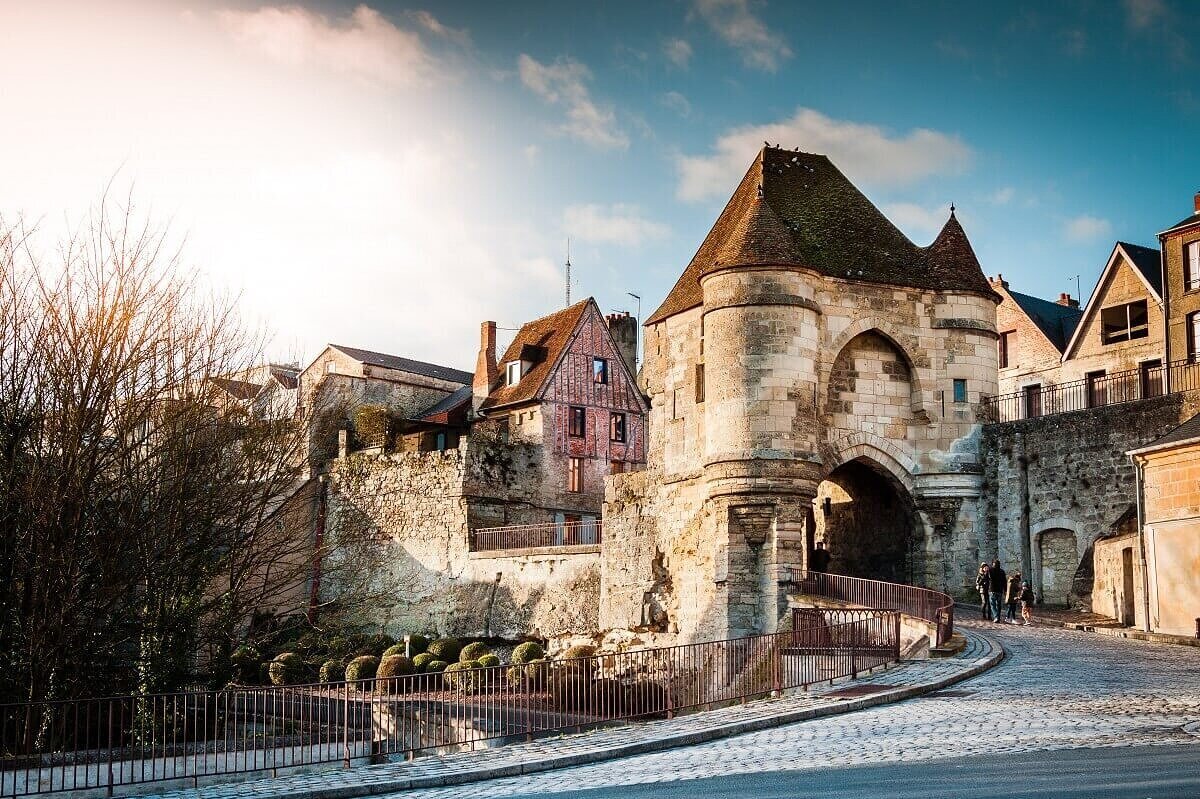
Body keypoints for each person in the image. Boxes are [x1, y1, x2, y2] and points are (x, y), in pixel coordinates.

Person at [989, 559, 1007, 624]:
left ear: (993, 564)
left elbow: (987, 578)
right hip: (1000, 590)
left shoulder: (990, 570)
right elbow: (1005, 582)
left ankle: (996, 616)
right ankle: (998, 618)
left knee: (993, 605)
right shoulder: (1002, 571)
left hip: (992, 590)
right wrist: (1005, 590)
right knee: (998, 605)